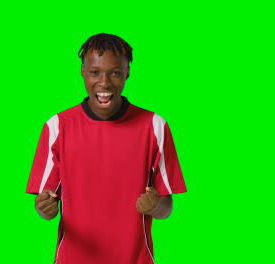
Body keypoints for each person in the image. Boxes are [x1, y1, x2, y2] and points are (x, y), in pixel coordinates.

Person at [26, 33, 187, 264]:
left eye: (114, 72)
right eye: (95, 72)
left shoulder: (155, 126)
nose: (104, 83)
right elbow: (44, 203)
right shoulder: (57, 127)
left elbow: (166, 207)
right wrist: (44, 209)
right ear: (82, 71)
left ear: (127, 73)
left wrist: (154, 206)